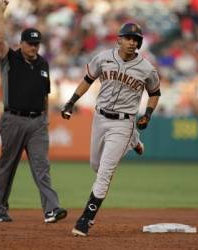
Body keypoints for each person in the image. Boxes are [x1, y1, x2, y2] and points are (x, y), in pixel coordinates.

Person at [61, 22, 161, 236]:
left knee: (104, 173)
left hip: (124, 122)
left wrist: (148, 114)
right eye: (128, 38)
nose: (132, 42)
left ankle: (86, 219)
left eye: (136, 40)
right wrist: (71, 101)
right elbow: (88, 79)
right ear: (119, 39)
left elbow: (155, 93)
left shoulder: (146, 68)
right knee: (96, 165)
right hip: (100, 117)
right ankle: (134, 140)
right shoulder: (104, 57)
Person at [0, 0, 67, 223]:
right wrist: (1, 12)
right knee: (8, 165)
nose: (34, 47)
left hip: (37, 123)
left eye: (37, 44)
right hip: (13, 119)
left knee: (42, 167)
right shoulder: (10, 59)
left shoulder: (43, 64)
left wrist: (45, 118)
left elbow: (45, 94)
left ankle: (51, 209)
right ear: (21, 44)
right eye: (30, 44)